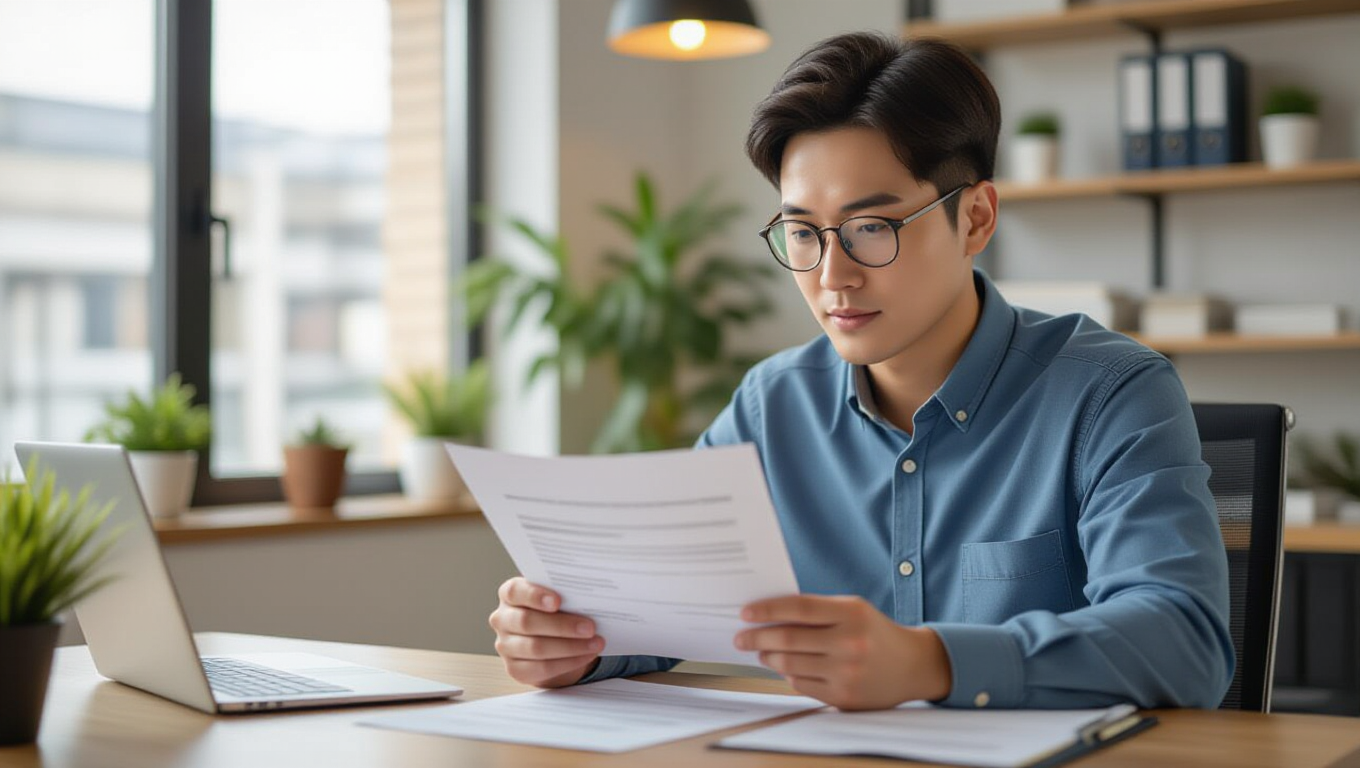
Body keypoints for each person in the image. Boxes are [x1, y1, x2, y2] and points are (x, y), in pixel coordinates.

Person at [488, 31, 1234, 711]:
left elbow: (1184, 641)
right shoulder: (771, 406)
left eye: (872, 227)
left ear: (975, 218)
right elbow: (668, 605)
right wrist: (577, 642)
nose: (832, 276)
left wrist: (930, 663)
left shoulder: (1111, 393)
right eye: (802, 232)